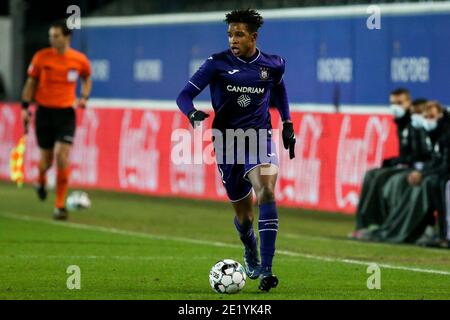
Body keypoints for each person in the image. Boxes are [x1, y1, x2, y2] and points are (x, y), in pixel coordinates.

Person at [176, 9, 295, 292]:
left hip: (259, 137)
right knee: (245, 217)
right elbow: (184, 95)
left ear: (253, 37)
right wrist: (191, 113)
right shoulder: (216, 64)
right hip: (227, 141)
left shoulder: (273, 64)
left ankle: (267, 270)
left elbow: (279, 91)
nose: (233, 39)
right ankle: (249, 245)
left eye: (239, 34)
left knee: (266, 190)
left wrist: (287, 121)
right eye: (230, 34)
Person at [21, 20, 92, 220]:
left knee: (62, 155)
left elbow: (87, 78)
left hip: (65, 113)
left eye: (56, 36)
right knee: (46, 161)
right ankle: (41, 179)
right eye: (50, 36)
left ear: (67, 37)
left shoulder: (79, 60)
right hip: (44, 112)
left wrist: (84, 97)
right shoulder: (41, 57)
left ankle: (59, 206)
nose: (52, 39)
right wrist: (25, 108)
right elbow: (30, 83)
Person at [350, 91, 429, 237]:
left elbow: (421, 153)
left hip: (417, 167)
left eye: (399, 103)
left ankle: (381, 223)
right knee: (371, 175)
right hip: (408, 165)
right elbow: (407, 153)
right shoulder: (401, 124)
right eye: (393, 103)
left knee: (385, 178)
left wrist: (400, 161)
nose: (395, 107)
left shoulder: (418, 123)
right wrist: (397, 160)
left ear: (408, 103)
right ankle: (365, 223)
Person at [370, 101, 450, 243]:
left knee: (433, 183)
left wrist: (423, 173)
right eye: (425, 116)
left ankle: (432, 230)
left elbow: (443, 164)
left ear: (440, 115)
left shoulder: (444, 133)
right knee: (401, 182)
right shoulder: (429, 132)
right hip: (430, 172)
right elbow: (435, 160)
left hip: (439, 175)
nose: (427, 119)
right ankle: (397, 226)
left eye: (431, 115)